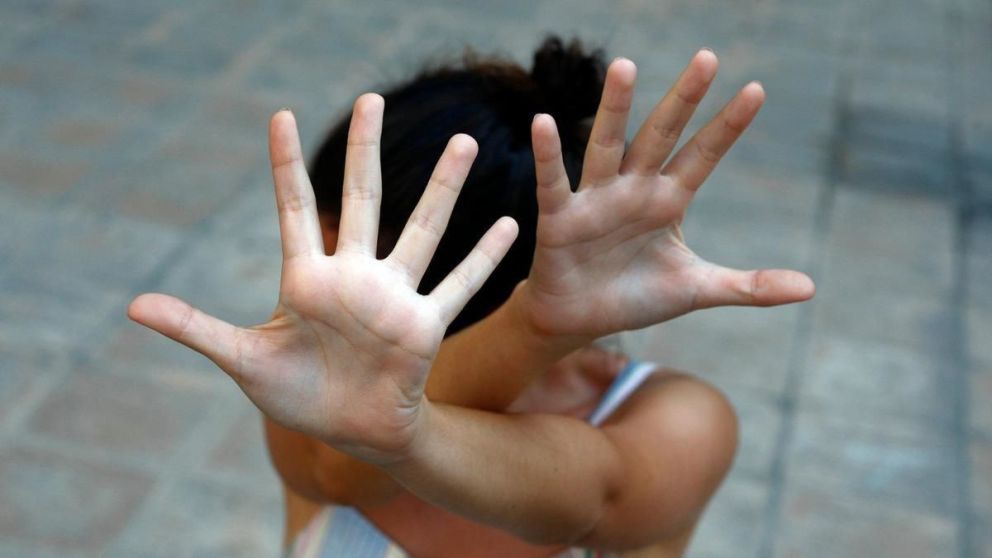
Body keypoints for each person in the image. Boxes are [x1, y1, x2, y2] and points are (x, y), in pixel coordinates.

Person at [128, 36, 815, 557]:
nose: (318, 254)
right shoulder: (323, 377)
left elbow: (593, 499)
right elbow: (342, 469)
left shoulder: (676, 419)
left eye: (337, 229)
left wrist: (535, 327)